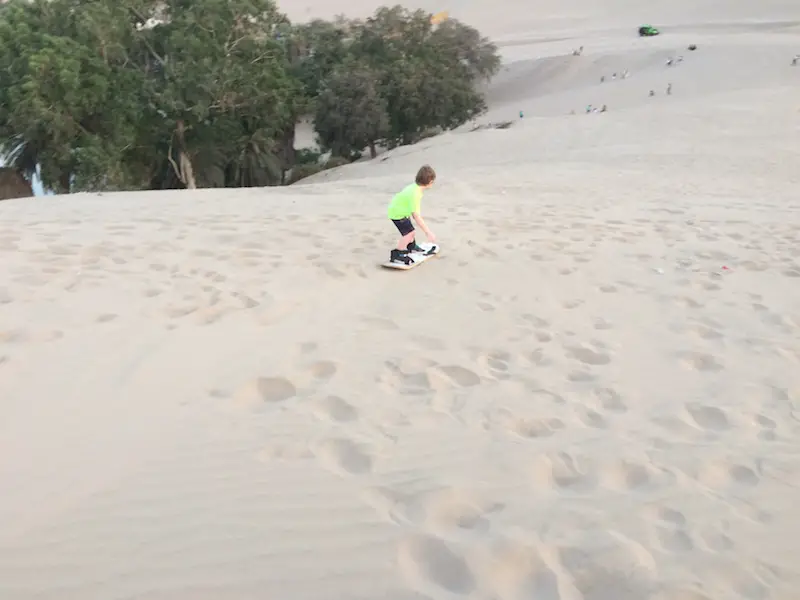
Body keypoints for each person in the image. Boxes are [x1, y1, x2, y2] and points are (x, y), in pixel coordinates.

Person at [387, 165, 437, 264]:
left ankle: (412, 247)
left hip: (401, 211)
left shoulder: (415, 187)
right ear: (430, 182)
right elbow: (416, 216)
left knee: (410, 231)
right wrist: (428, 232)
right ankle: (398, 254)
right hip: (397, 214)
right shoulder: (415, 193)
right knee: (409, 234)